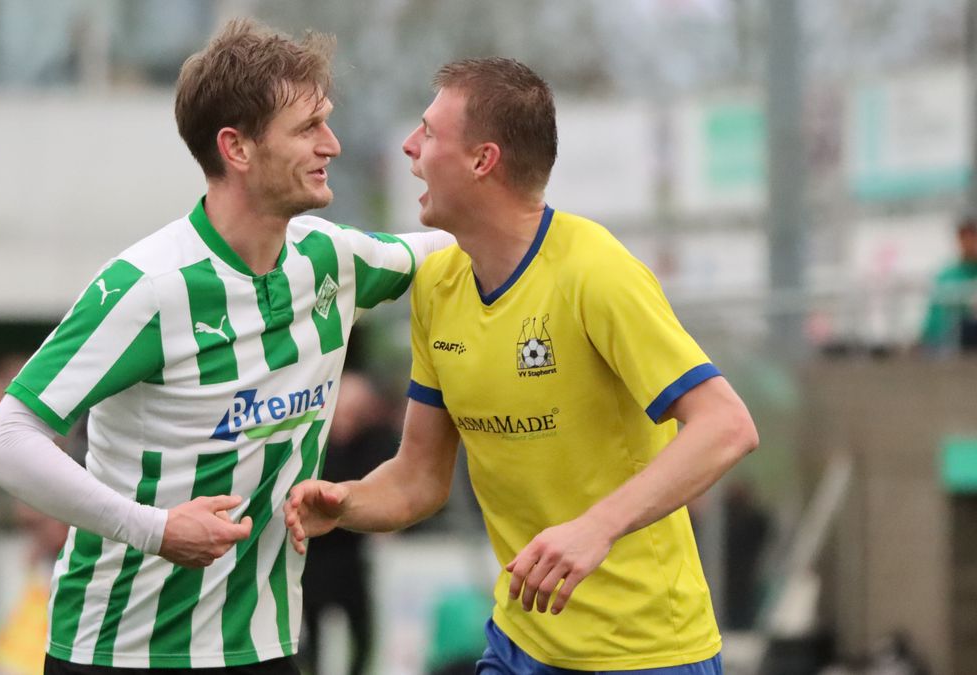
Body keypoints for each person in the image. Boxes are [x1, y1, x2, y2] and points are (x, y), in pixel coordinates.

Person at [0, 18, 451, 675]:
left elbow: (455, 250)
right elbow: (5, 441)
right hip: (122, 652)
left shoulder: (331, 261)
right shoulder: (150, 287)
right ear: (238, 148)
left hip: (266, 648)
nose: (332, 145)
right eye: (307, 128)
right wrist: (157, 527)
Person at [285, 57, 759, 674]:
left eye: (428, 132)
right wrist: (344, 502)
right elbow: (419, 480)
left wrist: (598, 527)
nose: (409, 146)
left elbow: (728, 426)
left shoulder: (595, 271)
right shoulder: (438, 285)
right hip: (520, 644)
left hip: (645, 653)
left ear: (483, 160)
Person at [297, 372, 394, 675]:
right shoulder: (315, 440)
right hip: (314, 551)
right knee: (311, 627)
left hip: (350, 551)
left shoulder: (374, 441)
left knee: (361, 628)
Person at [920, 217, 977, 353]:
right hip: (952, 345)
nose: (969, 243)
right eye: (964, 237)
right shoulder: (946, 276)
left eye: (973, 236)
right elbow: (934, 319)